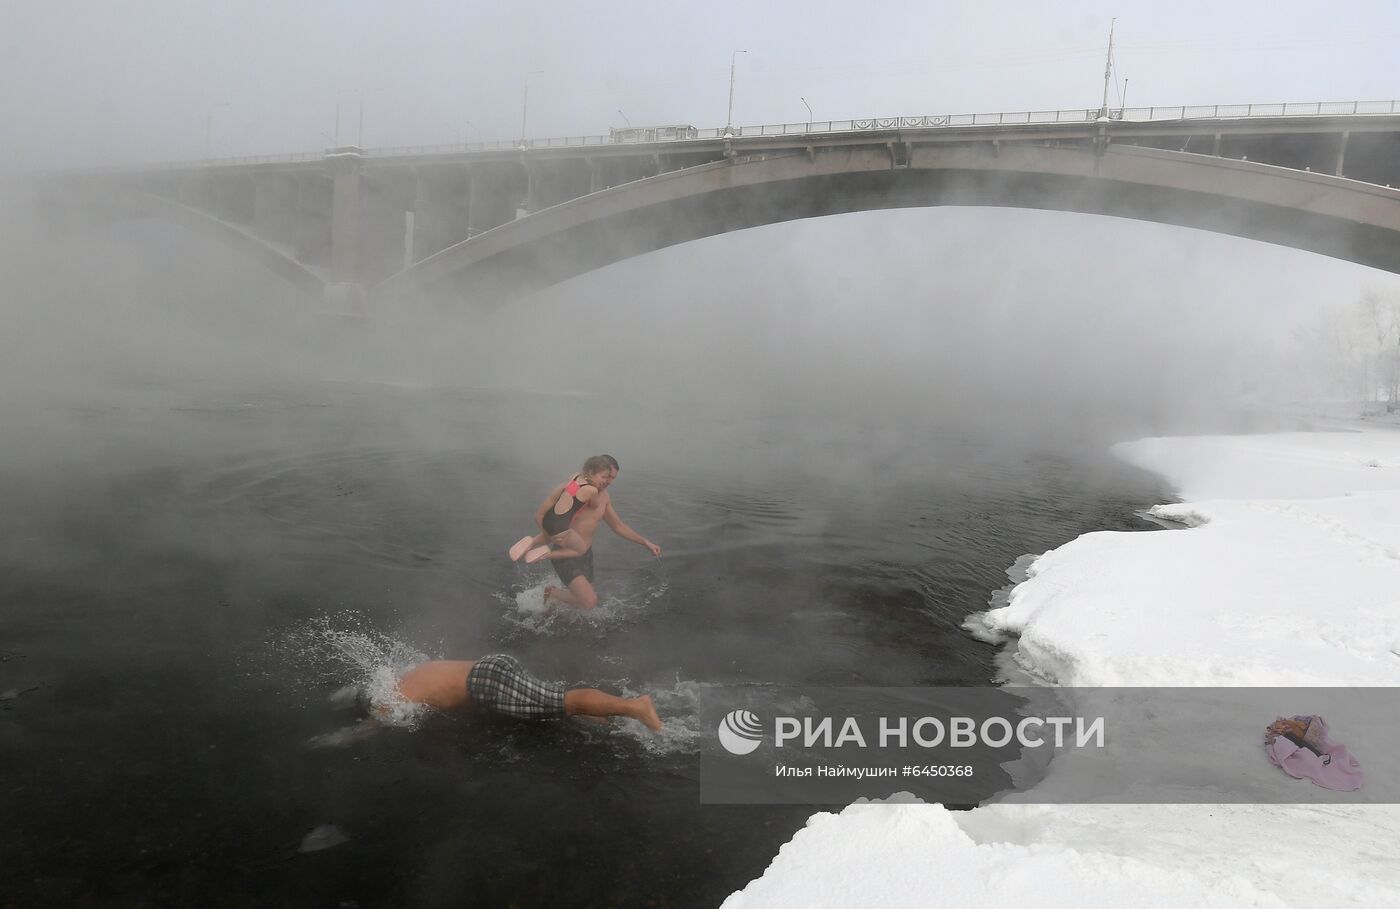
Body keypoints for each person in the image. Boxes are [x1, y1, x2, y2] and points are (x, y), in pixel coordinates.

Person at [514, 454, 661, 610]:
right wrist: (546, 537)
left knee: (583, 603)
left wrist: (645, 542)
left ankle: (555, 596)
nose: (609, 482)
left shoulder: (604, 498)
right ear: (595, 472)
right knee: (590, 602)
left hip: (585, 554)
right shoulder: (572, 490)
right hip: (565, 554)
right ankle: (551, 593)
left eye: (612, 478)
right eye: (607, 477)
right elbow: (548, 518)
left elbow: (617, 525)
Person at [391, 654, 663, 731]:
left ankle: (636, 707)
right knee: (545, 699)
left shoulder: (395, 698)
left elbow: (383, 718)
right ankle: (595, 713)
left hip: (488, 683)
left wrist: (359, 733)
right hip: (493, 664)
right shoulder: (415, 671)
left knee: (563, 703)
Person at [507, 456, 611, 564]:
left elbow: (574, 492)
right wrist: (598, 492)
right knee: (581, 549)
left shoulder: (575, 477)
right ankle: (545, 555)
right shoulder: (592, 490)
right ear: (591, 472)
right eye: (603, 477)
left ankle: (531, 542)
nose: (605, 481)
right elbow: (594, 506)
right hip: (560, 528)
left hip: (548, 520)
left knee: (549, 535)